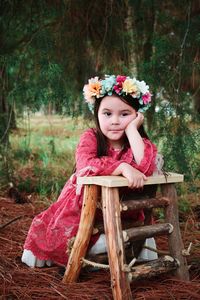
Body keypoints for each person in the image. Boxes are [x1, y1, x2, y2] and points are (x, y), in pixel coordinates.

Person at [22, 74, 158, 268]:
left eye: (125, 114)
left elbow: (145, 167)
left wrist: (132, 131)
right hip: (86, 208)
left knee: (128, 237)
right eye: (107, 113)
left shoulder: (137, 143)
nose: (115, 121)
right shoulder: (91, 137)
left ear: (136, 115)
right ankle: (91, 249)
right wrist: (121, 166)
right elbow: (86, 163)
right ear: (97, 114)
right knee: (66, 237)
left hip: (123, 211)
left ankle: (114, 246)